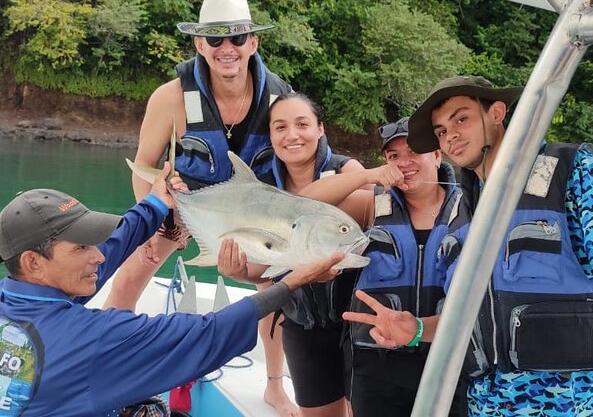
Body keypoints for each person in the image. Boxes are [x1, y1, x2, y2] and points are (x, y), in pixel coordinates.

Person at [343, 75, 593, 416]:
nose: (450, 134)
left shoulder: (570, 173)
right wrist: (417, 329)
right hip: (489, 405)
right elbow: (475, 319)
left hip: (579, 404)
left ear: (496, 113)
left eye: (461, 118)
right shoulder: (466, 212)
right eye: (440, 130)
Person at [0, 164, 341, 416]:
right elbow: (206, 333)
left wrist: (155, 205)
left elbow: (108, 253)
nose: (99, 255)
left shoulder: (16, 294)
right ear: (33, 262)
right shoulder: (91, 338)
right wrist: (293, 281)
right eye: (81, 248)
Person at [103, 0, 296, 415]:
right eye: (215, 39)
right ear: (198, 44)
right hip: (184, 205)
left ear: (253, 42)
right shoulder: (169, 97)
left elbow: (300, 166)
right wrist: (157, 224)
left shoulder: (281, 100)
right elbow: (145, 165)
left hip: (250, 214)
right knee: (138, 262)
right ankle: (111, 360)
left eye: (237, 38)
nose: (227, 49)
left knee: (276, 283)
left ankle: (274, 383)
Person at [295, 116, 461, 416]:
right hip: (377, 361)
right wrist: (366, 175)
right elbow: (303, 206)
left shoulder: (472, 208)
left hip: (449, 360)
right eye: (393, 156)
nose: (403, 162)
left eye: (413, 152)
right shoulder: (373, 204)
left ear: (437, 155)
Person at [218, 92, 369, 417]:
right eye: (280, 127)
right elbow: (264, 269)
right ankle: (275, 384)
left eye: (302, 124)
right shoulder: (263, 188)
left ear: (320, 129)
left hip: (356, 327)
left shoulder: (348, 170)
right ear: (271, 136)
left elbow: (380, 238)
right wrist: (240, 273)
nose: (292, 135)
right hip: (301, 326)